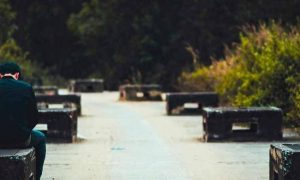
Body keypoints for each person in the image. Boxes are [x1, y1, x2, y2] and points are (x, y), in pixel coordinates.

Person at [0, 62, 46, 180]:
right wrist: (22, 128)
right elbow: (34, 118)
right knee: (41, 138)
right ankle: (36, 177)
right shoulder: (26, 87)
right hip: (20, 139)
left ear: (0, 75)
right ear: (16, 75)